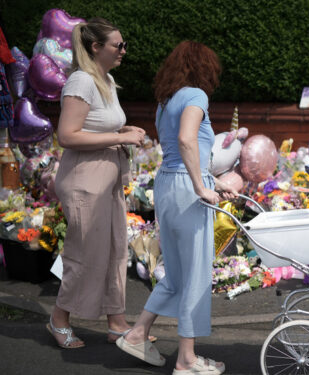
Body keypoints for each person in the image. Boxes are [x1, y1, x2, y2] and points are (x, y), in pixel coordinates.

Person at [117, 41, 236, 374]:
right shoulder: (197, 96)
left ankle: (138, 333)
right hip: (188, 189)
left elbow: (182, 148)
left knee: (177, 272)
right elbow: (187, 140)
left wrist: (213, 181)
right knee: (195, 272)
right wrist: (202, 186)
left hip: (168, 185)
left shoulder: (165, 101)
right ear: (204, 68)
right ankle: (186, 360)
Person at [49, 17, 146, 349]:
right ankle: (59, 319)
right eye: (118, 45)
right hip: (84, 180)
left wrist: (125, 134)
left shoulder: (105, 78)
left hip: (107, 177)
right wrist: (119, 137)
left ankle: (116, 320)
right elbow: (67, 135)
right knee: (86, 253)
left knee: (115, 249)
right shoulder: (81, 81)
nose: (123, 50)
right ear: (95, 47)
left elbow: (98, 128)